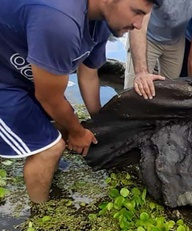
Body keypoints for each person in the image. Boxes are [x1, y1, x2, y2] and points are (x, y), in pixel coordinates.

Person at [0, 0, 155, 203]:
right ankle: (40, 213)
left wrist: (101, 126)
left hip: (26, 75)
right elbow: (48, 97)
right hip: (5, 80)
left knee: (63, 126)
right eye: (136, 12)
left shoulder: (100, 23)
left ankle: (50, 176)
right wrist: (78, 132)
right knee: (50, 148)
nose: (138, 24)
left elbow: (88, 76)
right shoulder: (60, 19)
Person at [124, 0, 192, 99]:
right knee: (134, 91)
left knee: (170, 92)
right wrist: (141, 72)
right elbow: (138, 22)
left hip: (176, 40)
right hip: (147, 37)